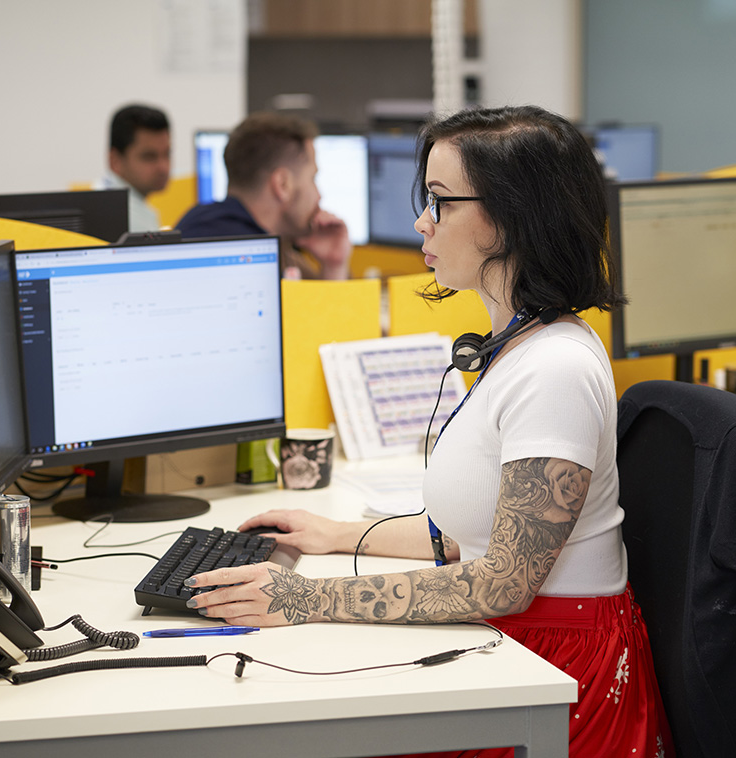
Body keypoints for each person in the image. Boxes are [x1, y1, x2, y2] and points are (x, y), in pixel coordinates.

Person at [183, 105, 674, 757]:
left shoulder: (555, 367)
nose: (422, 222)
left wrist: (306, 599)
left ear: (509, 216)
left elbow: (504, 579)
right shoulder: (515, 346)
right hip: (516, 647)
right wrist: (335, 534)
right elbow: (474, 537)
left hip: (556, 682)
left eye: (440, 202)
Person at [175, 112, 351, 280]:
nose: (319, 195)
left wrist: (333, 264)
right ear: (282, 185)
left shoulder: (206, 224)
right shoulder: (245, 255)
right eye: (313, 178)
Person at [96, 104, 171, 232]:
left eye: (167, 154)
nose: (163, 167)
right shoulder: (126, 220)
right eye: (149, 157)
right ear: (115, 161)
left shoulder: (104, 198)